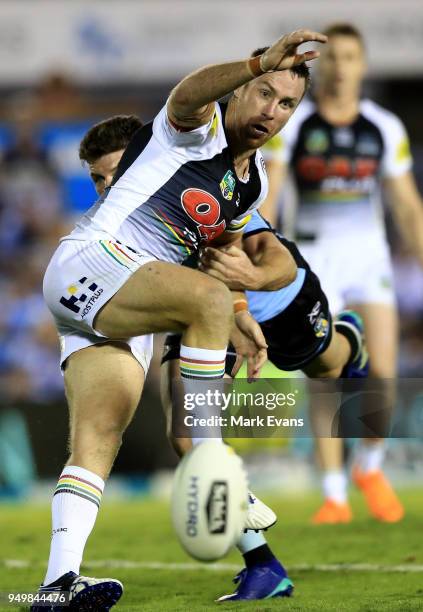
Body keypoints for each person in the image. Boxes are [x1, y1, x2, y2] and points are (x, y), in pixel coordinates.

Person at [32, 29, 328, 610]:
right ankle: (217, 460)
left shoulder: (255, 182)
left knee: (97, 439)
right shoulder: (195, 130)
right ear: (241, 91)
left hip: (115, 305)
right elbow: (187, 94)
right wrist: (255, 63)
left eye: (286, 103)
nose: (271, 110)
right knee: (206, 320)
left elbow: (225, 256)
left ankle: (54, 585)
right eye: (263, 92)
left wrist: (240, 310)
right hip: (96, 260)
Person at [77, 113, 369, 602]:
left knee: (326, 363)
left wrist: (246, 290)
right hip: (203, 318)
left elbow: (273, 258)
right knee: (186, 434)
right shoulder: (112, 226)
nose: (106, 187)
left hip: (278, 304)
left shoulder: (198, 192)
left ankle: (350, 339)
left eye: (114, 174)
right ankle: (263, 565)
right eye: (97, 179)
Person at [260, 23, 423, 524]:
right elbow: (272, 193)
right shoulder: (294, 123)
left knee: (384, 372)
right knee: (324, 373)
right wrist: (260, 246)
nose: (340, 66)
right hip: (314, 260)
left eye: (350, 57)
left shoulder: (384, 127)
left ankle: (369, 468)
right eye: (332, 58)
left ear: (362, 66)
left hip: (367, 257)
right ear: (319, 66)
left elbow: (406, 205)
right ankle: (333, 494)